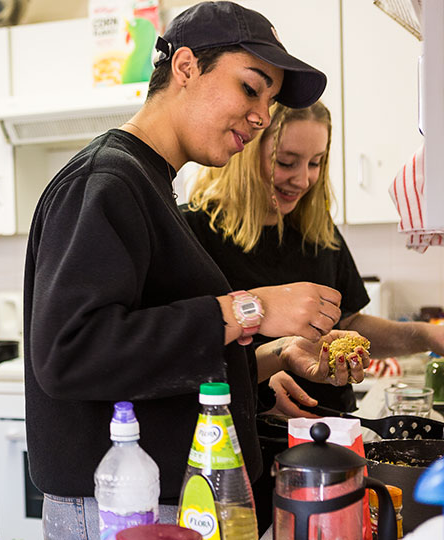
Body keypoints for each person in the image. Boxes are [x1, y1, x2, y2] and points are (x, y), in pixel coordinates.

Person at [23, 2, 369, 537]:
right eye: (251, 88)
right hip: (122, 507)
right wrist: (254, 306)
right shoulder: (108, 181)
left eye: (271, 101)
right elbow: (71, 352)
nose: (262, 116)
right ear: (185, 68)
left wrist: (253, 375)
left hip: (168, 499)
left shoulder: (150, 184)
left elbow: (145, 356)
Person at [183, 100, 444, 417]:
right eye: (287, 162)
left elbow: (347, 322)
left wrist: (430, 335)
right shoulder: (193, 232)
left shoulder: (317, 229)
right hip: (243, 434)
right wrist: (258, 379)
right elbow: (185, 350)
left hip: (333, 423)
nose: (303, 180)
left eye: (315, 163)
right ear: (246, 154)